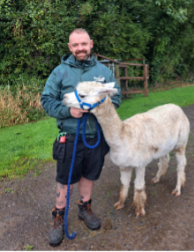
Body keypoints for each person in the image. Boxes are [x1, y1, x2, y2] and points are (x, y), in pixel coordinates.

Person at [41, 28, 121, 247]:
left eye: (83, 44)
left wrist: (101, 107)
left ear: (91, 44)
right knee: (66, 179)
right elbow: (46, 100)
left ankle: (84, 209)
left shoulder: (103, 72)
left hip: (95, 136)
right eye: (75, 45)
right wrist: (70, 111)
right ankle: (58, 216)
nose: (80, 48)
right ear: (70, 47)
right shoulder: (60, 72)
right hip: (70, 135)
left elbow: (117, 98)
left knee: (89, 175)